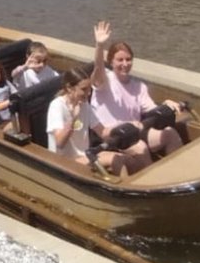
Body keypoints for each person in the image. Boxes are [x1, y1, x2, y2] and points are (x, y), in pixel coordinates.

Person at [89, 21, 182, 159]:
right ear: (111, 62)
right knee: (140, 147)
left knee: (170, 133)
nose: (125, 64)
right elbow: (98, 68)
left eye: (128, 59)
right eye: (120, 60)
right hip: (113, 137)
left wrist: (166, 105)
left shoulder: (139, 87)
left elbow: (152, 110)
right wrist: (100, 45)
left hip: (134, 134)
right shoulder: (105, 81)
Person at [46, 69, 128, 174]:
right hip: (64, 162)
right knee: (114, 159)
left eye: (89, 89)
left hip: (84, 156)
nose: (88, 93)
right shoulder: (57, 106)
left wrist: (122, 130)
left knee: (124, 158)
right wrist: (73, 119)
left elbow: (102, 131)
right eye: (84, 89)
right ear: (69, 88)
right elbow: (59, 142)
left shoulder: (84, 105)